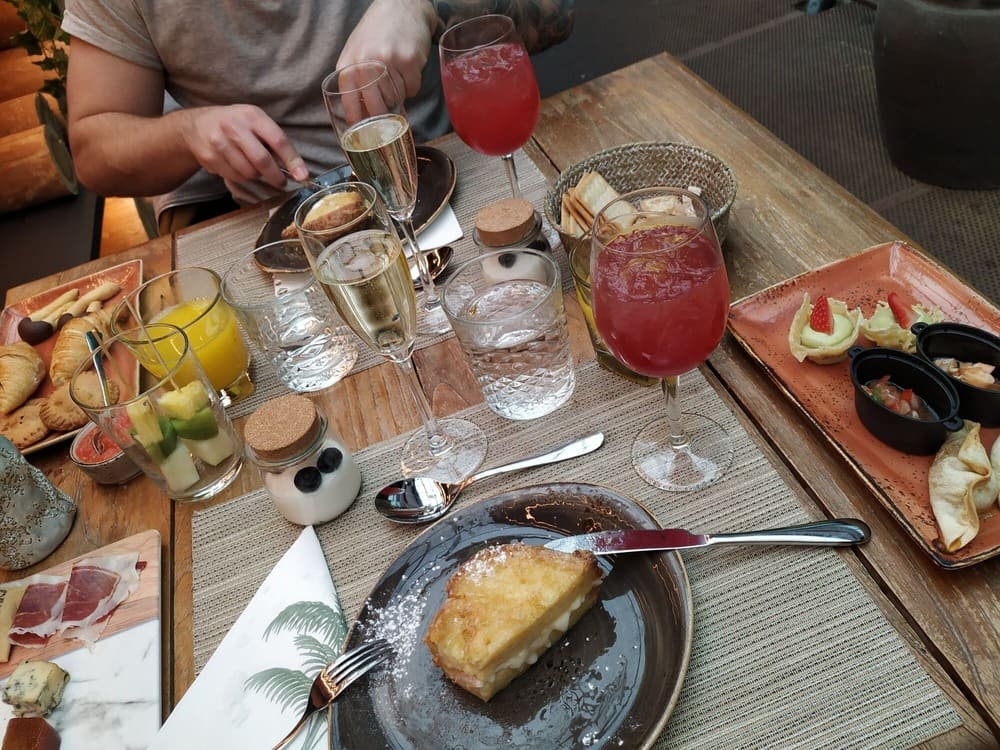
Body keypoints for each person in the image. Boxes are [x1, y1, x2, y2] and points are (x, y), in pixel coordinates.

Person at [62, 0, 575, 234]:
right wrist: (186, 131)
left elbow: (554, 13)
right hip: (290, 233)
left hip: (461, 168)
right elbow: (93, 151)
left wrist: (421, 5)